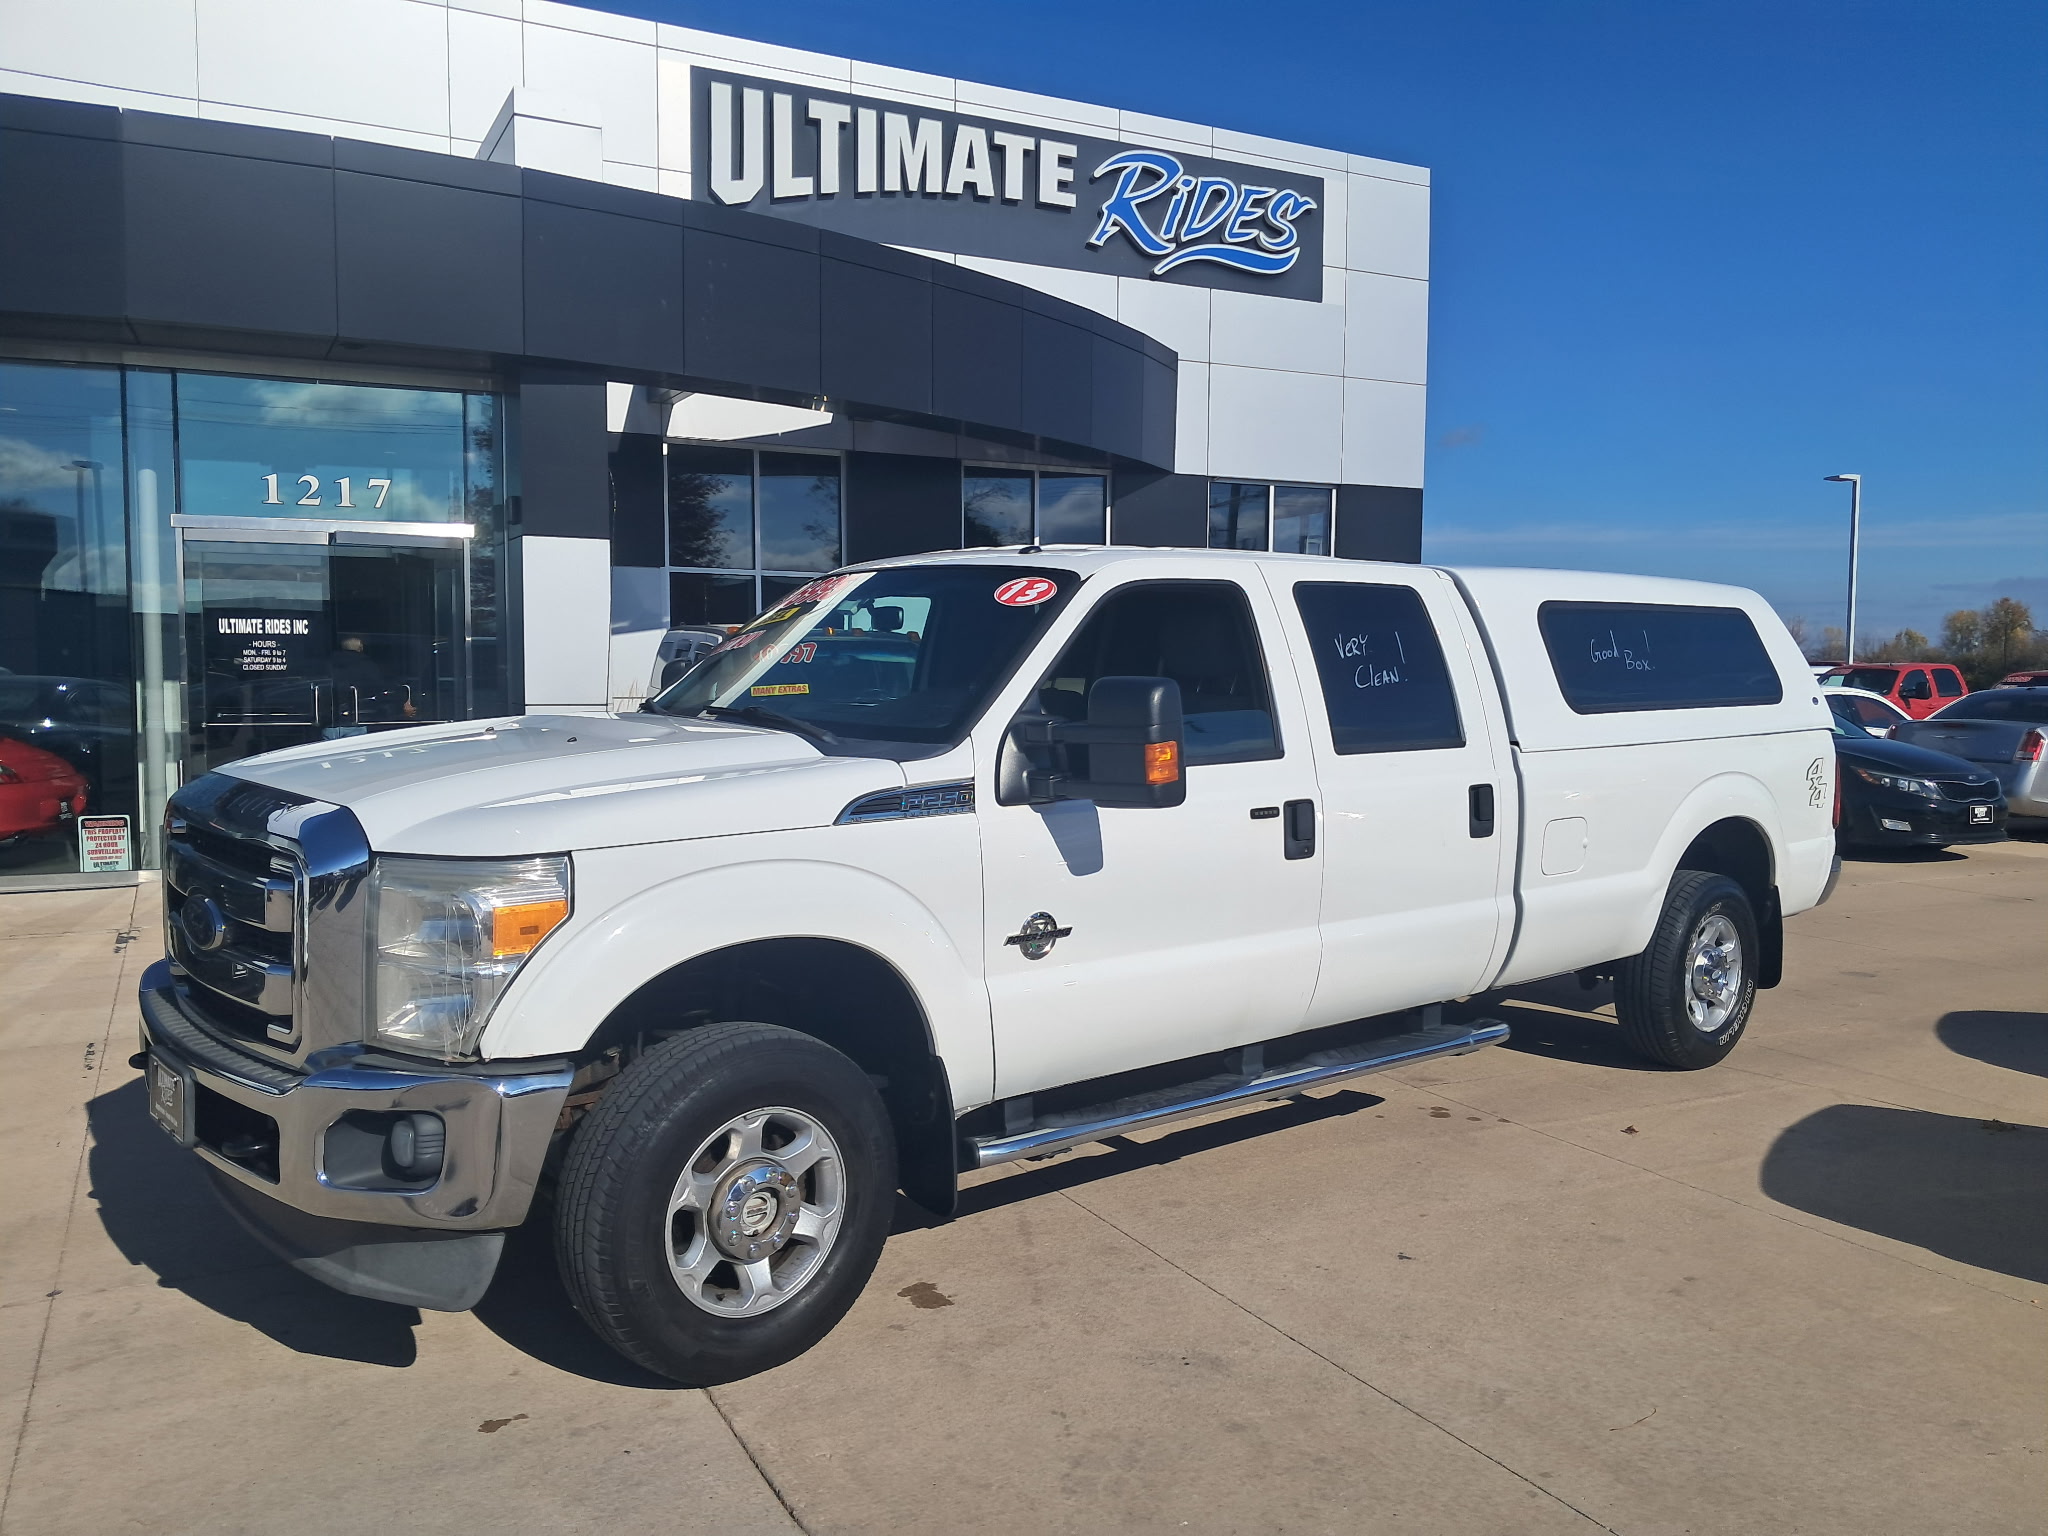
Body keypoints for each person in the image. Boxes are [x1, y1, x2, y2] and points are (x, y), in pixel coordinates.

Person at [322, 636, 415, 740]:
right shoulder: (366, 665)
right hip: (358, 721)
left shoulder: (329, 663)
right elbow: (377, 687)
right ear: (360, 648)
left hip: (331, 722)